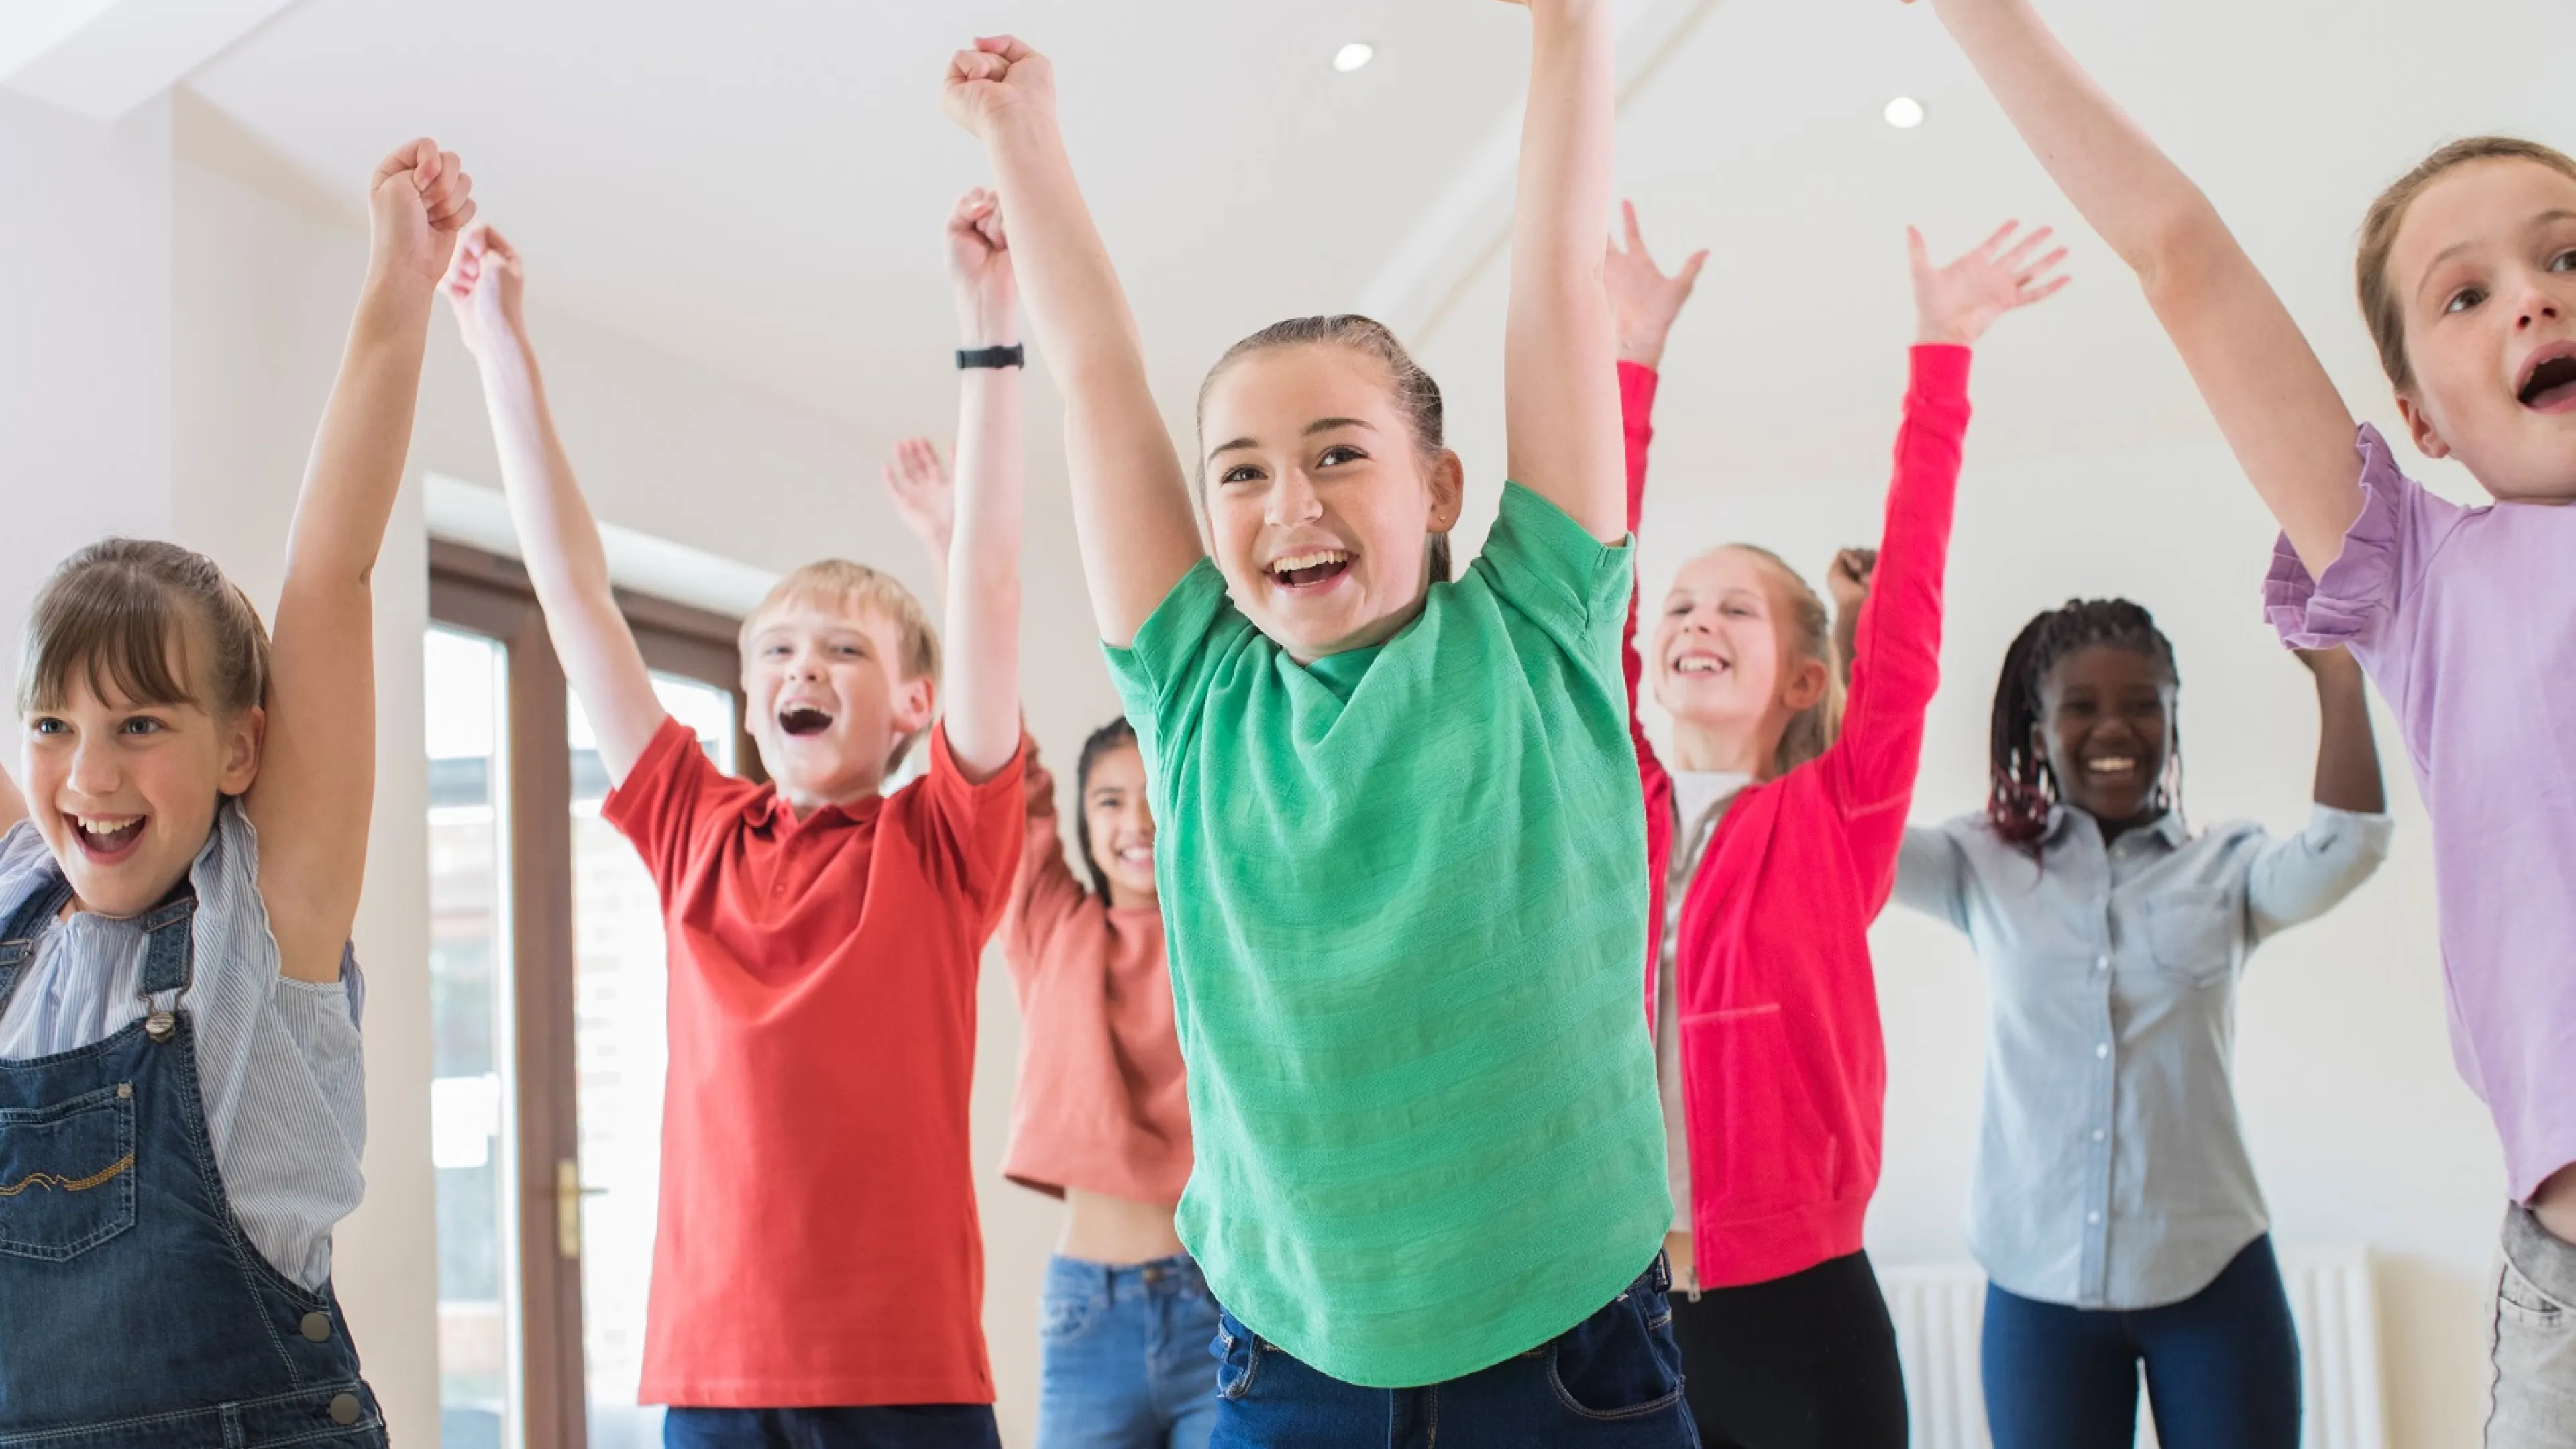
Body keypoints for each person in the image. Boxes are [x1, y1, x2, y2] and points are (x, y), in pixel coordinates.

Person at [942, 3, 1695, 1442]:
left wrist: (1568, 37)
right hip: (1291, 1357)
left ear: (1444, 488)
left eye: (1339, 454)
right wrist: (1021, 136)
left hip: (1570, 1340)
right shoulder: (1198, 691)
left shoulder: (1543, 621)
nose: (1288, 501)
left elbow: (1549, 286)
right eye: (1242, 473)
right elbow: (1101, 373)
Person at [1916, 0, 2576, 1436]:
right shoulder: (2429, 582)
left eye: (2567, 255)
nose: (2534, 296)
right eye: (2467, 294)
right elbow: (2183, 258)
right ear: (2420, 420)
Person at [440, 189, 1026, 1446]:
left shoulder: (944, 844)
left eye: (840, 651)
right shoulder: (694, 824)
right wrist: (501, 351)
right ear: (752, 691)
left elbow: (984, 586)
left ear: (916, 703)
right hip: (714, 1375)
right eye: (775, 651)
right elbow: (573, 590)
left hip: (909, 1376)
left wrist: (988, 340)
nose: (799, 671)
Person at [0, 137, 474, 1445]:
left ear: (239, 749)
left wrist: (396, 286)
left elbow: (334, 573)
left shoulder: (261, 925)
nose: (87, 773)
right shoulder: (21, 899)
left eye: (141, 722)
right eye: (53, 724)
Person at [1613, 201, 2064, 1447]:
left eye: (1740, 613)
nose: (1696, 618)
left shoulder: (1837, 814)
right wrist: (1629, 367)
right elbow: (1592, 576)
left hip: (1802, 1303)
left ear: (1808, 679)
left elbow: (1908, 624)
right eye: (1682, 607)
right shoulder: (1617, 803)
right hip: (1619, 1301)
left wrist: (1943, 352)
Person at [1890, 597, 2388, 1448]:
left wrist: (2339, 672)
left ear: (2171, 717)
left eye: (2142, 703)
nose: (2113, 727)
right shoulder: (1981, 862)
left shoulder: (2226, 869)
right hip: (2036, 1288)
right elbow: (1845, 838)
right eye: (2081, 706)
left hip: (2215, 1281)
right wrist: (1865, 658)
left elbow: (2348, 848)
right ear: (2038, 728)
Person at [886, 443, 1210, 1449]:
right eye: (1111, 799)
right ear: (1080, 818)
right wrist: (951, 545)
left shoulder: (1229, 933)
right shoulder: (1050, 921)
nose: (1136, 819)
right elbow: (999, 760)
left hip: (1230, 1305)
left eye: (1159, 793)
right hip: (1088, 1312)